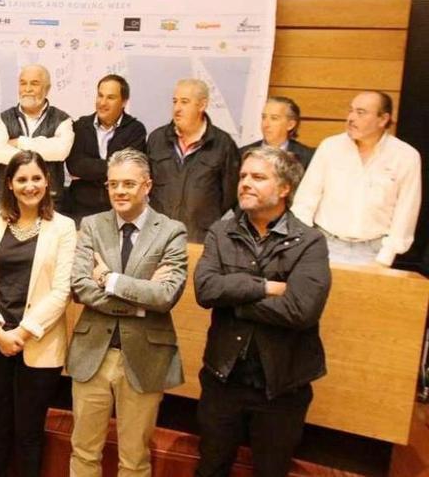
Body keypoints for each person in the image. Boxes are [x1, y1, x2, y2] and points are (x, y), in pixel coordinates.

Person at [195, 147, 332, 477]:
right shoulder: (220, 232)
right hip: (223, 379)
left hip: (283, 386)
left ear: (284, 188)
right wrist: (264, 287)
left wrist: (237, 301)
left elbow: (301, 310)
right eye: (243, 176)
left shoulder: (310, 242)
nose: (245, 183)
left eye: (258, 177)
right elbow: (206, 290)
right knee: (210, 469)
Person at [68, 149, 188, 477]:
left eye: (129, 184)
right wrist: (138, 301)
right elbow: (79, 287)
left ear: (147, 186)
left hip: (144, 358)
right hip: (92, 354)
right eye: (113, 184)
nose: (119, 191)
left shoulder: (171, 231)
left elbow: (165, 295)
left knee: (134, 460)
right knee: (83, 452)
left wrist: (111, 279)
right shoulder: (91, 226)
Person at [0, 150, 76, 477]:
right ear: (10, 185)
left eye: (36, 178)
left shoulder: (64, 227)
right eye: (22, 179)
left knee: (29, 433)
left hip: (38, 345)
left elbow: (62, 291)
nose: (30, 186)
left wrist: (23, 332)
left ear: (47, 181)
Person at [292, 91, 421, 267]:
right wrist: (303, 244)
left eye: (361, 112)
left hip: (374, 251)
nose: (351, 118)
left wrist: (384, 258)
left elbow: (406, 212)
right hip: (324, 243)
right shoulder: (330, 147)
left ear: (383, 119)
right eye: (350, 111)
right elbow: (305, 200)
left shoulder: (406, 156)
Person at [145, 78, 239, 243]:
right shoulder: (157, 139)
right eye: (175, 101)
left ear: (202, 105)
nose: (177, 109)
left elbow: (231, 196)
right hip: (157, 238)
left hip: (200, 238)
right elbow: (146, 186)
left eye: (185, 102)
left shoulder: (223, 144)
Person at [0, 64, 74, 208]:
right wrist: (43, 148)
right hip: (8, 200)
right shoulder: (3, 118)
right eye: (23, 83)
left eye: (34, 83)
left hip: (48, 201)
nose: (27, 89)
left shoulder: (63, 119)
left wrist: (20, 142)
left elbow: (60, 151)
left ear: (47, 89)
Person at [66, 75, 147, 221]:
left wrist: (89, 172)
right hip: (80, 209)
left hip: (118, 210)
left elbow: (128, 170)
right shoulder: (80, 126)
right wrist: (112, 170)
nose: (102, 102)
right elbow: (75, 166)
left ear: (124, 102)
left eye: (110, 97)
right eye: (100, 96)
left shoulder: (135, 130)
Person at [240, 96, 313, 169]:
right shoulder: (242, 153)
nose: (266, 124)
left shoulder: (307, 157)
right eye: (264, 117)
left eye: (274, 118)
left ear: (290, 125)